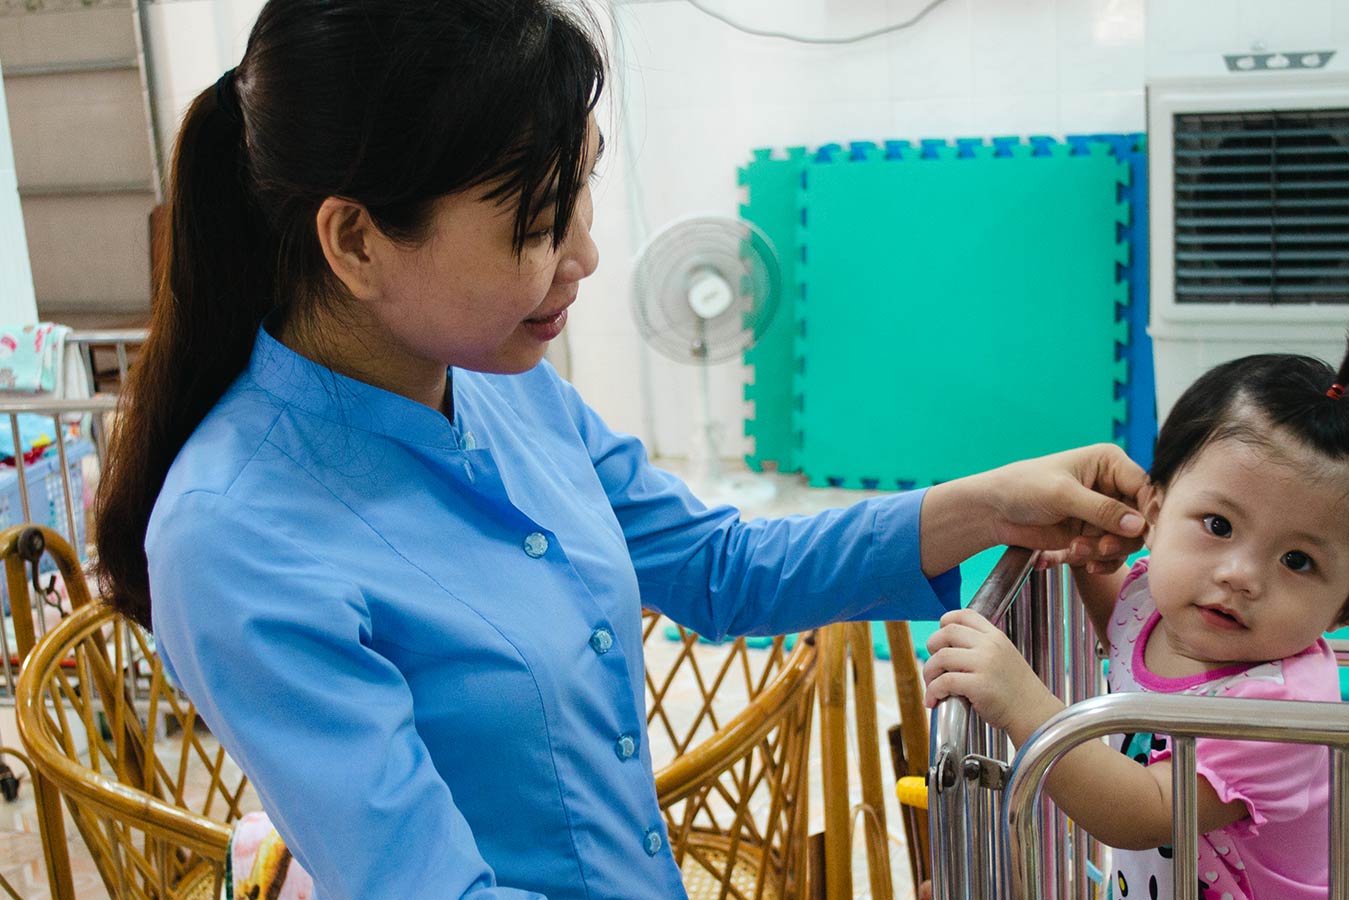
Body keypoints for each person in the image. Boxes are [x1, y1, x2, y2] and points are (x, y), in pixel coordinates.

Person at [89, 2, 1152, 898]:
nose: (586, 255)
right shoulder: (238, 537)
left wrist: (989, 504)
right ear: (356, 240)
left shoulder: (506, 392)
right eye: (540, 221)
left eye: (583, 189)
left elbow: (720, 567)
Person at [923, 325, 1349, 900]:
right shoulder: (1154, 604)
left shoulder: (1282, 712)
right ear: (1156, 511)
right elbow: (1121, 625)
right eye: (1218, 525)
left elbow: (1142, 810)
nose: (1239, 574)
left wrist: (1023, 700)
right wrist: (1083, 548)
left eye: (1297, 560)